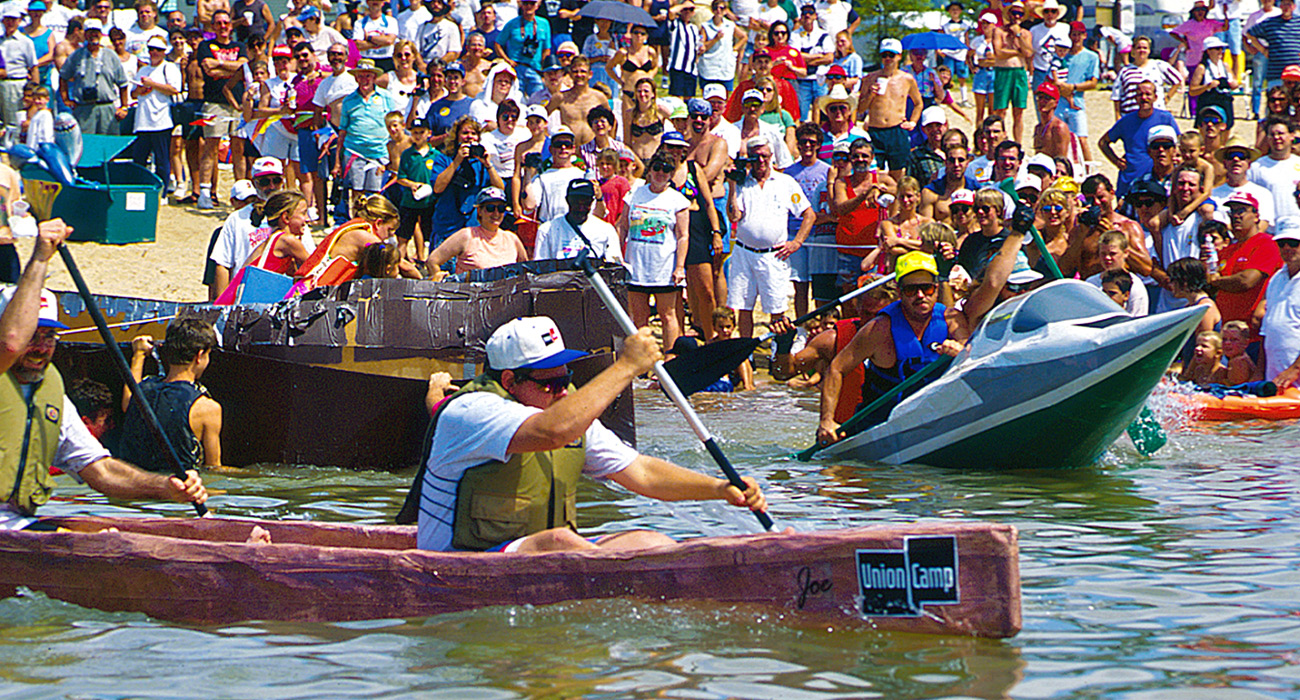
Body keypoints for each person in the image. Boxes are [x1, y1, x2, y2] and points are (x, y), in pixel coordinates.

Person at [409, 315, 767, 552]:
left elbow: (642, 473)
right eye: (550, 383)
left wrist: (719, 489)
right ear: (509, 381)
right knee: (560, 541)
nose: (564, 392)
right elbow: (551, 433)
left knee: (648, 541)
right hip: (460, 561)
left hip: (533, 555)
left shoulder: (565, 416)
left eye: (567, 378)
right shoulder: (473, 412)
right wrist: (626, 366)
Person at [0, 220, 207, 530]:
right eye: (34, 334)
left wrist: (164, 487)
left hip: (18, 525)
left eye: (49, 336)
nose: (40, 347)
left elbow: (102, 472)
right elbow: (11, 342)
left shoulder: (51, 395)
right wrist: (40, 258)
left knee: (112, 535)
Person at [816, 236, 1022, 445]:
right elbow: (836, 368)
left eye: (927, 288)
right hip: (880, 427)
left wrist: (959, 350)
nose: (920, 295)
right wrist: (826, 421)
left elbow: (972, 355)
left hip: (933, 425)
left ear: (936, 287)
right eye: (911, 290)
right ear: (899, 292)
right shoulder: (879, 329)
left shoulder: (951, 320)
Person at [728, 137, 815, 339]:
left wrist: (797, 242)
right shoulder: (743, 183)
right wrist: (732, 186)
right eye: (755, 157)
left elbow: (809, 214)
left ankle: (778, 351)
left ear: (771, 156)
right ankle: (745, 354)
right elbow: (734, 216)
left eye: (764, 156)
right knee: (744, 307)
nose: (760, 161)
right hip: (744, 252)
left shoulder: (785, 183)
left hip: (774, 255)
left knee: (776, 308)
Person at [119, 319, 223, 472]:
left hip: (133, 484)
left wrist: (139, 355)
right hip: (175, 489)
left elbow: (128, 397)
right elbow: (214, 468)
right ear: (199, 356)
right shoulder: (207, 408)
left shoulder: (140, 395)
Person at [207, 157, 291, 299]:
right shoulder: (237, 218)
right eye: (265, 182)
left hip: (279, 296)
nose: (271, 187)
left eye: (276, 181)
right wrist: (221, 307)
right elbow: (222, 264)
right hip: (244, 295)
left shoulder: (292, 216)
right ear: (254, 183)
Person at [297, 194, 421, 290]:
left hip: (308, 286)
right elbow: (404, 266)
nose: (389, 236)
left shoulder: (354, 225)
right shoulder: (364, 236)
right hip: (311, 291)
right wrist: (423, 282)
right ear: (378, 223)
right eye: (389, 230)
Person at [1209, 191, 1283, 334]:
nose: (1236, 215)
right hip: (1226, 332)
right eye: (1232, 211)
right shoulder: (1227, 250)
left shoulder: (1266, 243)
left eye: (1241, 210)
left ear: (1256, 216)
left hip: (1251, 331)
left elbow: (1246, 281)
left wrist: (1216, 280)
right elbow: (1210, 285)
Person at [336, 58, 397, 219]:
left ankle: (376, 221)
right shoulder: (349, 100)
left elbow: (394, 124)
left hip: (379, 152)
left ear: (374, 77)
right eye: (361, 76)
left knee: (376, 192)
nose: (365, 80)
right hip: (354, 151)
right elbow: (342, 131)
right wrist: (337, 160)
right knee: (357, 191)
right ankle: (357, 221)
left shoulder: (386, 97)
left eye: (368, 76)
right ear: (356, 78)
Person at [1099, 80, 1178, 198]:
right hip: (1131, 177)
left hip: (1158, 177)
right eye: (1140, 94)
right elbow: (1103, 142)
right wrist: (1116, 161)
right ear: (1135, 98)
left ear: (1155, 97)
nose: (1144, 98)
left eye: (1148, 94)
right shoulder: (1126, 121)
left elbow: (1179, 142)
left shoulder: (1165, 118)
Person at [862, 38, 921, 182]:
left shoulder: (906, 79)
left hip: (896, 130)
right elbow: (861, 108)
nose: (888, 59)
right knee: (874, 174)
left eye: (891, 55)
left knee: (899, 173)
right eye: (884, 55)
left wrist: (912, 122)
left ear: (899, 56)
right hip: (876, 130)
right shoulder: (870, 78)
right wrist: (870, 94)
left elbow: (918, 103)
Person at [59, 19, 130, 137]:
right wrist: (66, 99)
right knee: (86, 144)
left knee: (109, 145)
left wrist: (124, 107)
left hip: (107, 107)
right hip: (83, 109)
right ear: (85, 35)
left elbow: (123, 83)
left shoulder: (110, 55)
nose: (93, 35)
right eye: (90, 32)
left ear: (101, 34)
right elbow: (63, 77)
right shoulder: (76, 55)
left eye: (96, 32)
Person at [132, 35, 182, 192]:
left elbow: (174, 89)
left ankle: (163, 190)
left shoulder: (170, 68)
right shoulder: (143, 70)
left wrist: (152, 84)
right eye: (151, 49)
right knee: (139, 158)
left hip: (161, 119)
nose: (154, 53)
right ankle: (140, 188)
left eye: (158, 50)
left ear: (164, 51)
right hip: (143, 120)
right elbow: (134, 94)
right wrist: (142, 89)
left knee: (162, 159)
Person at [533, 179, 623, 263]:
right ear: (567, 200)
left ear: (592, 202)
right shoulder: (547, 230)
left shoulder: (606, 230)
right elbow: (541, 267)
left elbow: (615, 265)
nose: (580, 208)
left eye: (585, 203)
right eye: (576, 202)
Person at [240, 190, 313, 274]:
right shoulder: (288, 240)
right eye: (303, 213)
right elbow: (317, 267)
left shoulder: (276, 239)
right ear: (286, 217)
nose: (308, 219)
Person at [1109, 36, 1183, 119]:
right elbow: (1117, 95)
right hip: (1130, 115)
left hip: (1155, 113)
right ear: (1133, 50)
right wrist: (1118, 116)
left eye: (1145, 48)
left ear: (1149, 51)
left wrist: (1167, 98)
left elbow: (1177, 80)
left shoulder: (1158, 65)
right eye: (1139, 48)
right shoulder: (1125, 71)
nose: (1142, 51)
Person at [1211, 136, 1275, 232]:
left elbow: (1263, 224)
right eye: (1231, 156)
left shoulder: (1263, 194)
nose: (1236, 160)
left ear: (1248, 163)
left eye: (1241, 156)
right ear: (1224, 163)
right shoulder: (1213, 194)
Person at [990, 2, 1032, 144]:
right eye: (1014, 13)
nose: (1016, 16)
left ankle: (1018, 142)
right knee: (1000, 110)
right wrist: (1016, 52)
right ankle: (999, 139)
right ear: (1009, 14)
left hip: (1019, 72)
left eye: (1019, 14)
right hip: (1003, 71)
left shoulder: (1026, 34)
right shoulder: (999, 31)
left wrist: (1018, 35)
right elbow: (998, 52)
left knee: (1018, 111)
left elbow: (1027, 52)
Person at [1084, 229, 1149, 316]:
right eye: (1103, 253)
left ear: (1125, 253)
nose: (1107, 258)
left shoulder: (1135, 286)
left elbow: (1138, 320)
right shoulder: (1090, 284)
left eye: (1112, 254)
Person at [1249, 117, 1300, 223]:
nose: (1276, 138)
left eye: (1280, 133)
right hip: (1269, 228)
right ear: (1267, 138)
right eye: (1272, 134)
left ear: (1291, 136)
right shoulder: (1256, 167)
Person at [498, 0, 551, 96]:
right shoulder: (512, 23)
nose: (529, 6)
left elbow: (546, 49)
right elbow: (498, 43)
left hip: (535, 68)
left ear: (537, 5)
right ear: (521, 5)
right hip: (517, 68)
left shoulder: (544, 23)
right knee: (516, 98)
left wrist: (543, 67)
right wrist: (507, 60)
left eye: (532, 3)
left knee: (538, 98)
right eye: (526, 3)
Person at [1246, 0, 1300, 93]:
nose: (1286, 7)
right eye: (1284, 4)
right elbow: (1250, 33)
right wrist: (1263, 50)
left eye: (1289, 4)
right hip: (1276, 72)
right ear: (1280, 6)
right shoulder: (1270, 22)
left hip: (1296, 73)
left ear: (1294, 6)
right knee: (1275, 100)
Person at [0, 6, 38, 131]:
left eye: (13, 19)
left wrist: (35, 90)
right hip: (1, 83)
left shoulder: (25, 41)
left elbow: (33, 67)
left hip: (16, 84)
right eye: (7, 19)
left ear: (19, 21)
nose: (10, 22)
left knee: (14, 122)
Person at [1222, 319, 1262, 383]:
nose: (1227, 343)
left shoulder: (1238, 362)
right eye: (1224, 339)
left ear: (1246, 343)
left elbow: (1236, 389)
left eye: (1234, 340)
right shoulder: (1239, 359)